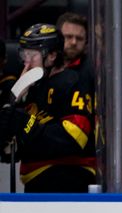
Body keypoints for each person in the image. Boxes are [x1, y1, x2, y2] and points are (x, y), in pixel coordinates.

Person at [0, 24, 96, 193]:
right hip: (37, 181)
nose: (26, 61)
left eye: (32, 55)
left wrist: (25, 124)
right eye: (24, 54)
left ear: (52, 56)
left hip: (68, 179)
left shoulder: (73, 82)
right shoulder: (33, 89)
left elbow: (75, 137)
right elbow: (19, 144)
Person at [56, 12, 94, 96]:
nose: (74, 42)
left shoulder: (92, 70)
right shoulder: (46, 67)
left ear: (86, 41)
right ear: (58, 37)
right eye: (68, 37)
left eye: (79, 38)